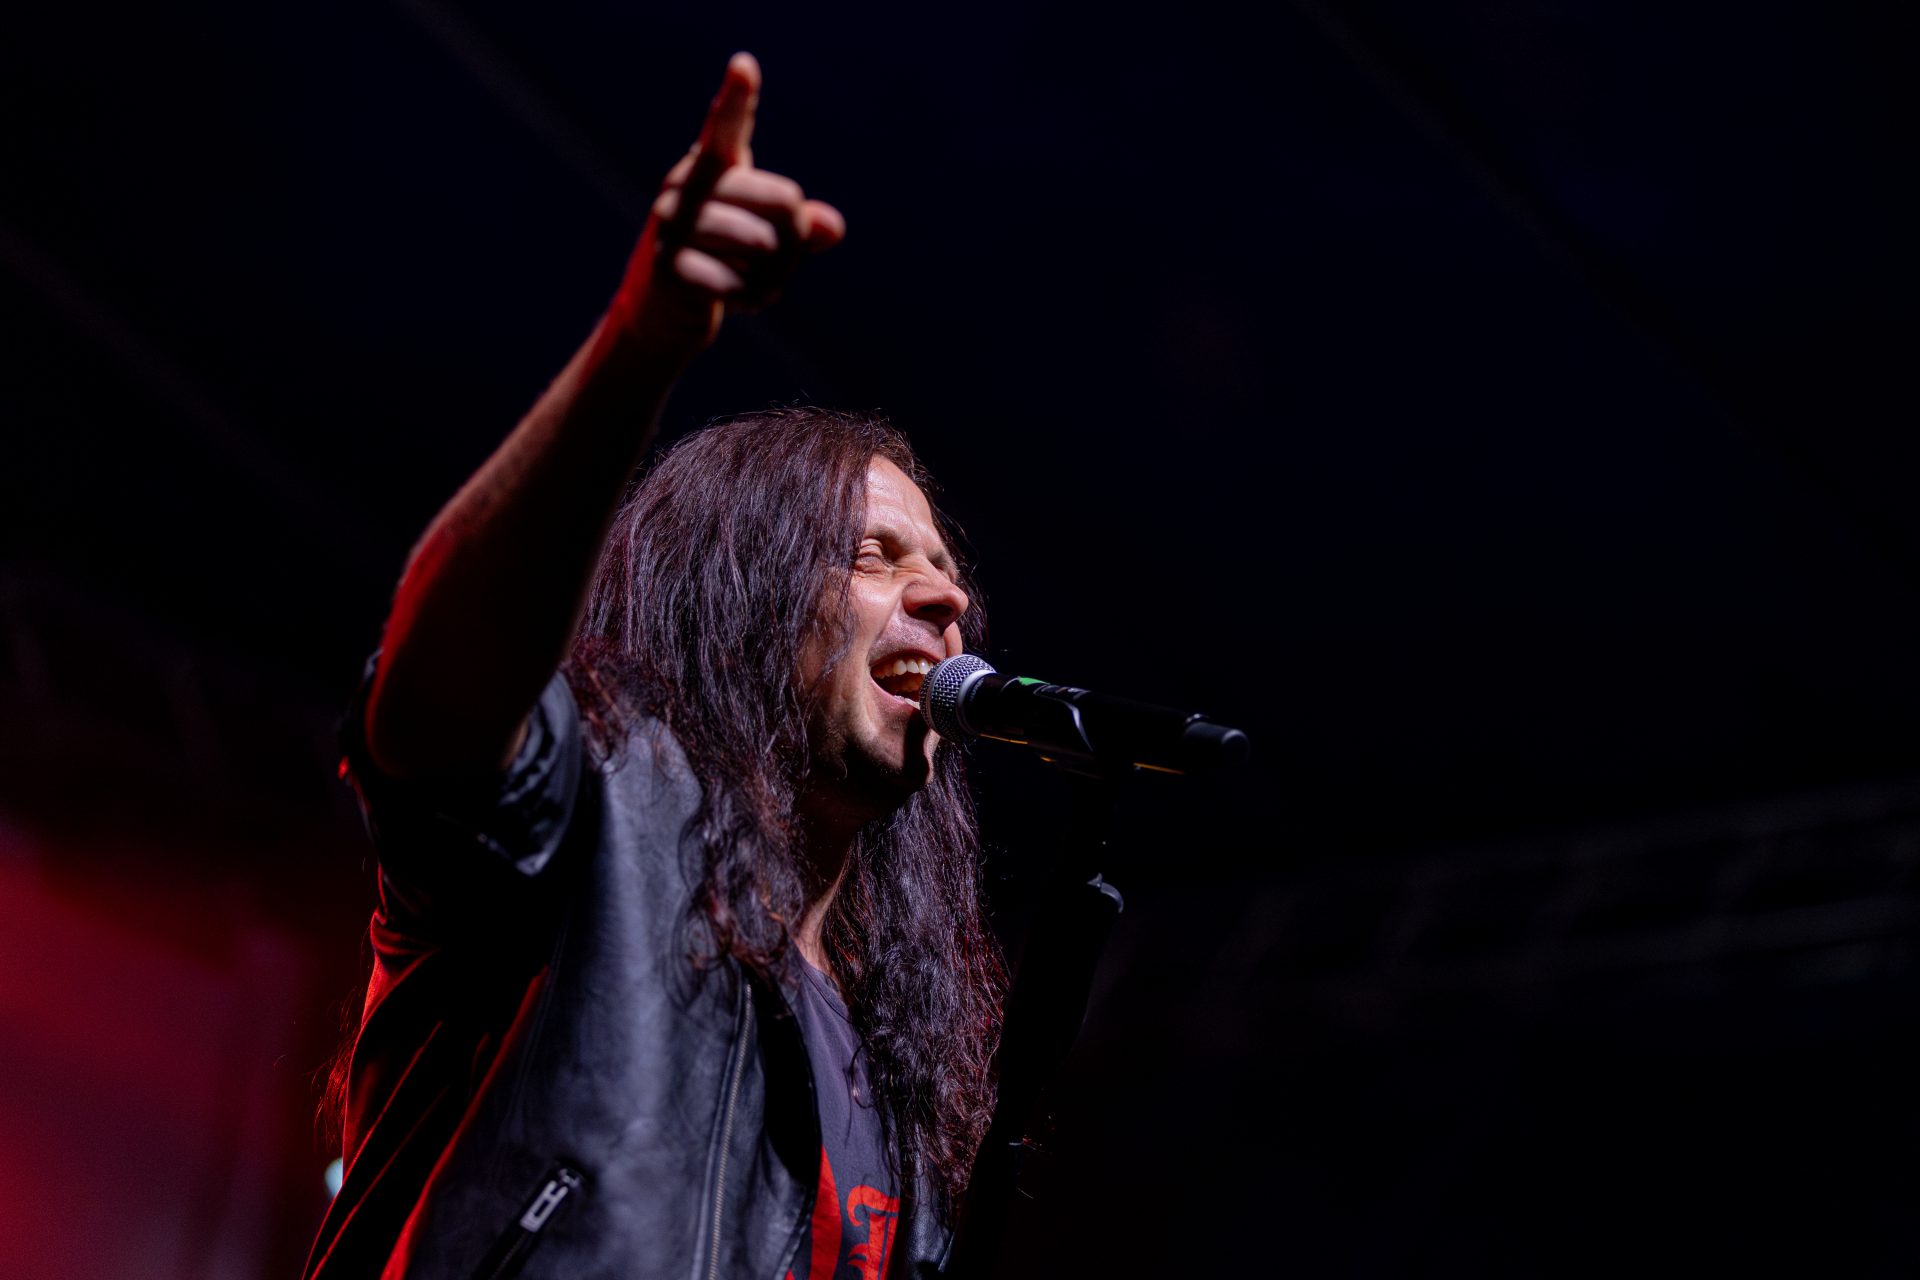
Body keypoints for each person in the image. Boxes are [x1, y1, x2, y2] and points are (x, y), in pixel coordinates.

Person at [305, 53, 1005, 1280]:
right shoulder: (596, 816)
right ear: (743, 597)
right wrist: (644, 340)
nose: (946, 599)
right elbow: (431, 709)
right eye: (873, 555)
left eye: (945, 572)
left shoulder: (897, 1062)